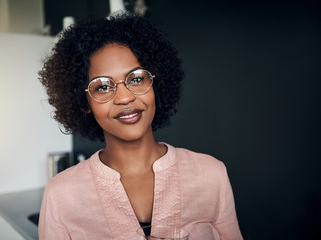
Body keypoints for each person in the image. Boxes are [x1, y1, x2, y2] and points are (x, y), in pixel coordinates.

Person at [38, 12, 243, 240]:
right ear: (84, 102)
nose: (124, 98)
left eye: (136, 79)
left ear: (155, 84)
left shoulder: (211, 174)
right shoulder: (61, 195)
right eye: (102, 87)